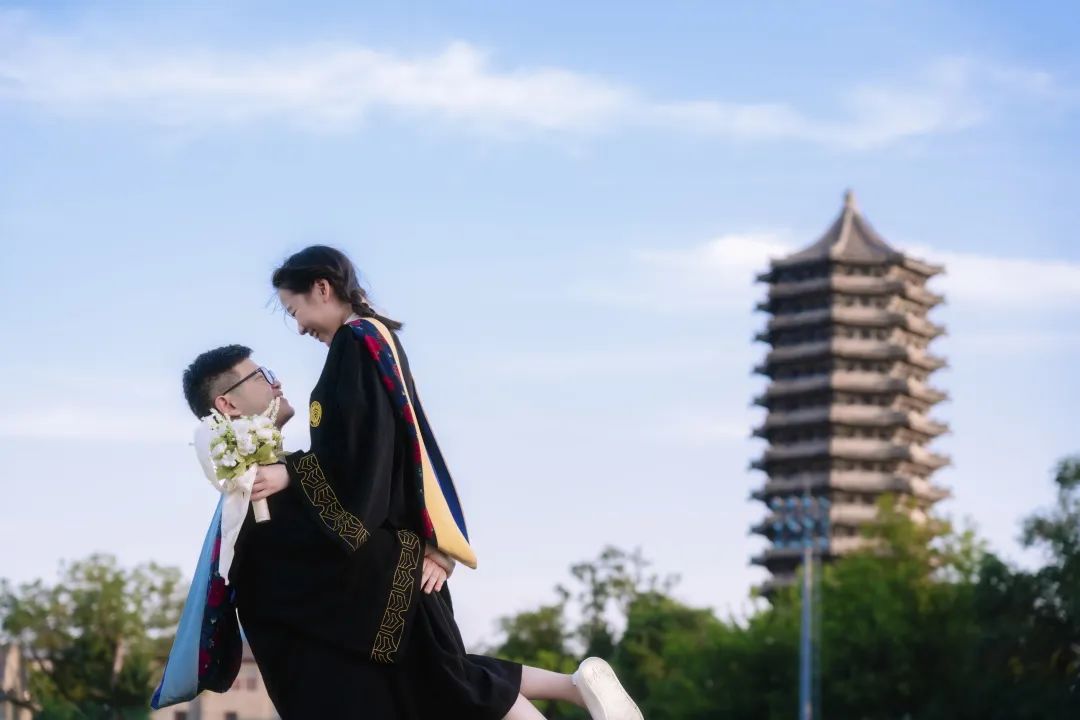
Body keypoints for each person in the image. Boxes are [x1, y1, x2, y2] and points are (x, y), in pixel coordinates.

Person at [247, 244, 643, 719]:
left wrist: (291, 474)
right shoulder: (372, 339)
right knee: (437, 675)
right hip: (406, 542)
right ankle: (575, 687)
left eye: (294, 310)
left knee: (445, 680)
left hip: (391, 551)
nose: (299, 327)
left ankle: (575, 687)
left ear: (322, 288)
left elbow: (361, 458)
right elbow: (399, 450)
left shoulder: (356, 343)